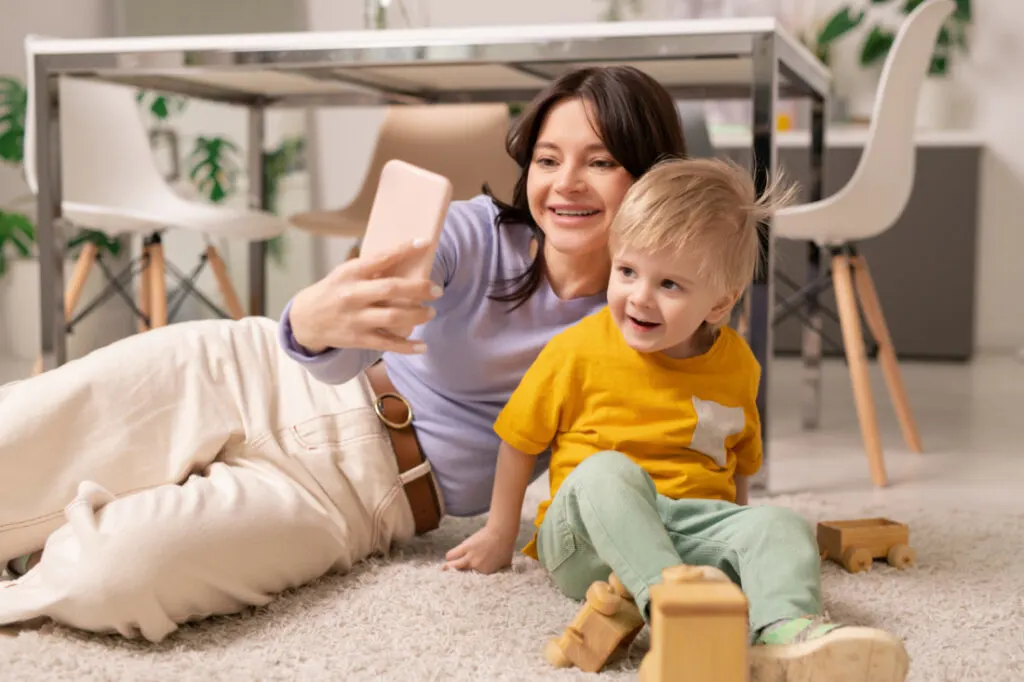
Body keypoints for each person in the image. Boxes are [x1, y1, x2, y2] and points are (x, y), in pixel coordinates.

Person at [0, 64, 687, 642]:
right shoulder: (475, 233)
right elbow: (340, 347)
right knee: (19, 439)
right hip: (251, 371)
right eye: (547, 159)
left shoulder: (639, 328)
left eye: (600, 161)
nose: (566, 183)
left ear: (650, 176)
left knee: (113, 579)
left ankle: (47, 542)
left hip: (356, 497)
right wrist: (315, 316)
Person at [444, 158, 911, 682]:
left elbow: (738, 467)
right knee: (605, 471)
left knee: (780, 525)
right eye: (626, 272)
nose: (639, 296)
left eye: (669, 285)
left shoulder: (737, 365)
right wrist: (500, 533)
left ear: (720, 302)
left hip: (687, 533)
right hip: (588, 540)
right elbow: (518, 440)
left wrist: (744, 540)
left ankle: (783, 634)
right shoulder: (574, 351)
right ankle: (674, 614)